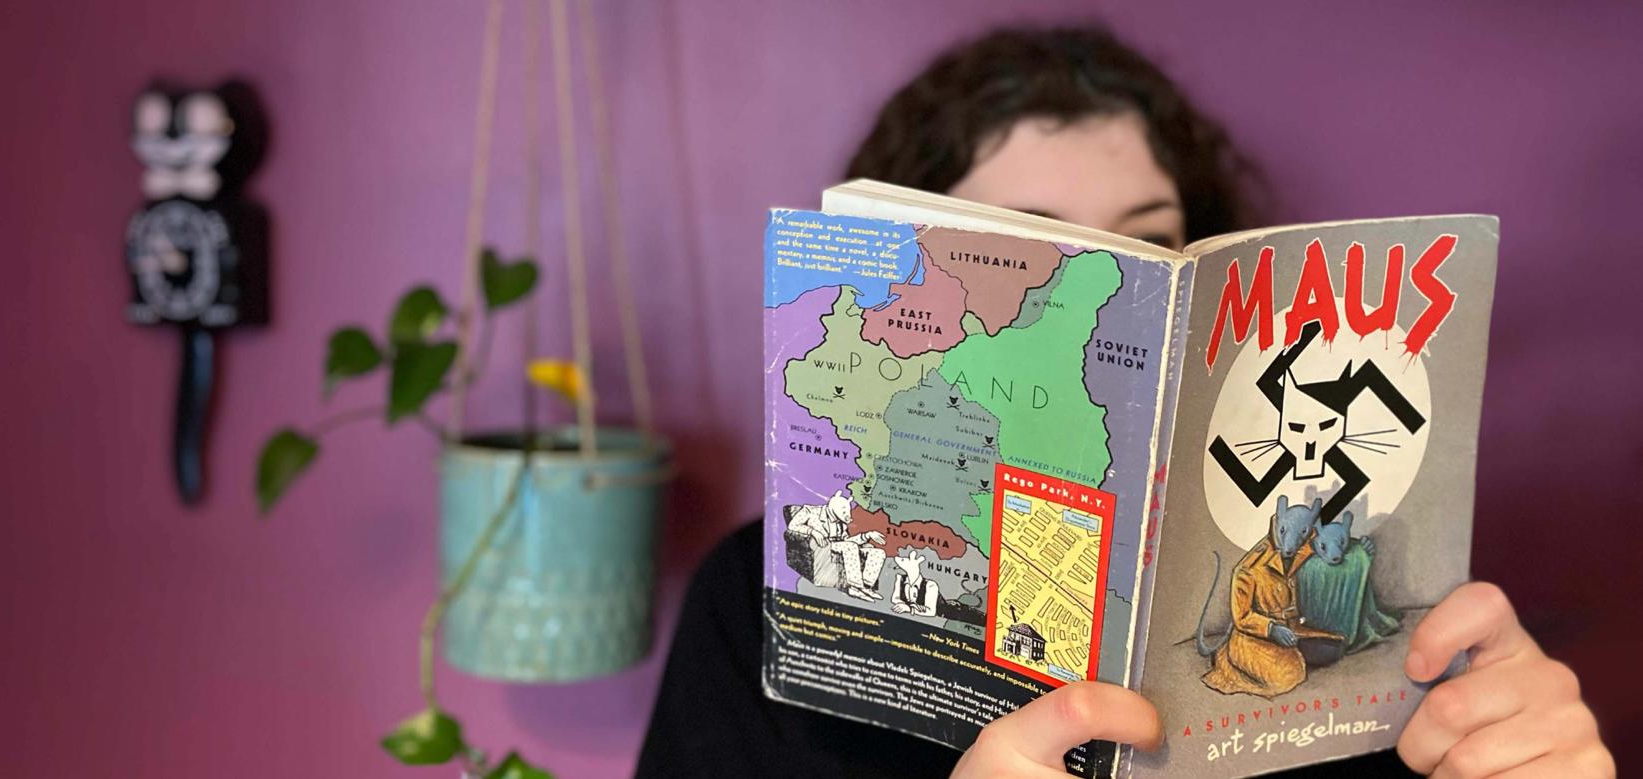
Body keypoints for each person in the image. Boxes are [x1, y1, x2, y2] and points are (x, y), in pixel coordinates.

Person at [635, 26, 1613, 779]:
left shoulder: (1315, 574)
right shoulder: (760, 601)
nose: (1093, 301)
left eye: (1149, 244)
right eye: (1024, 250)